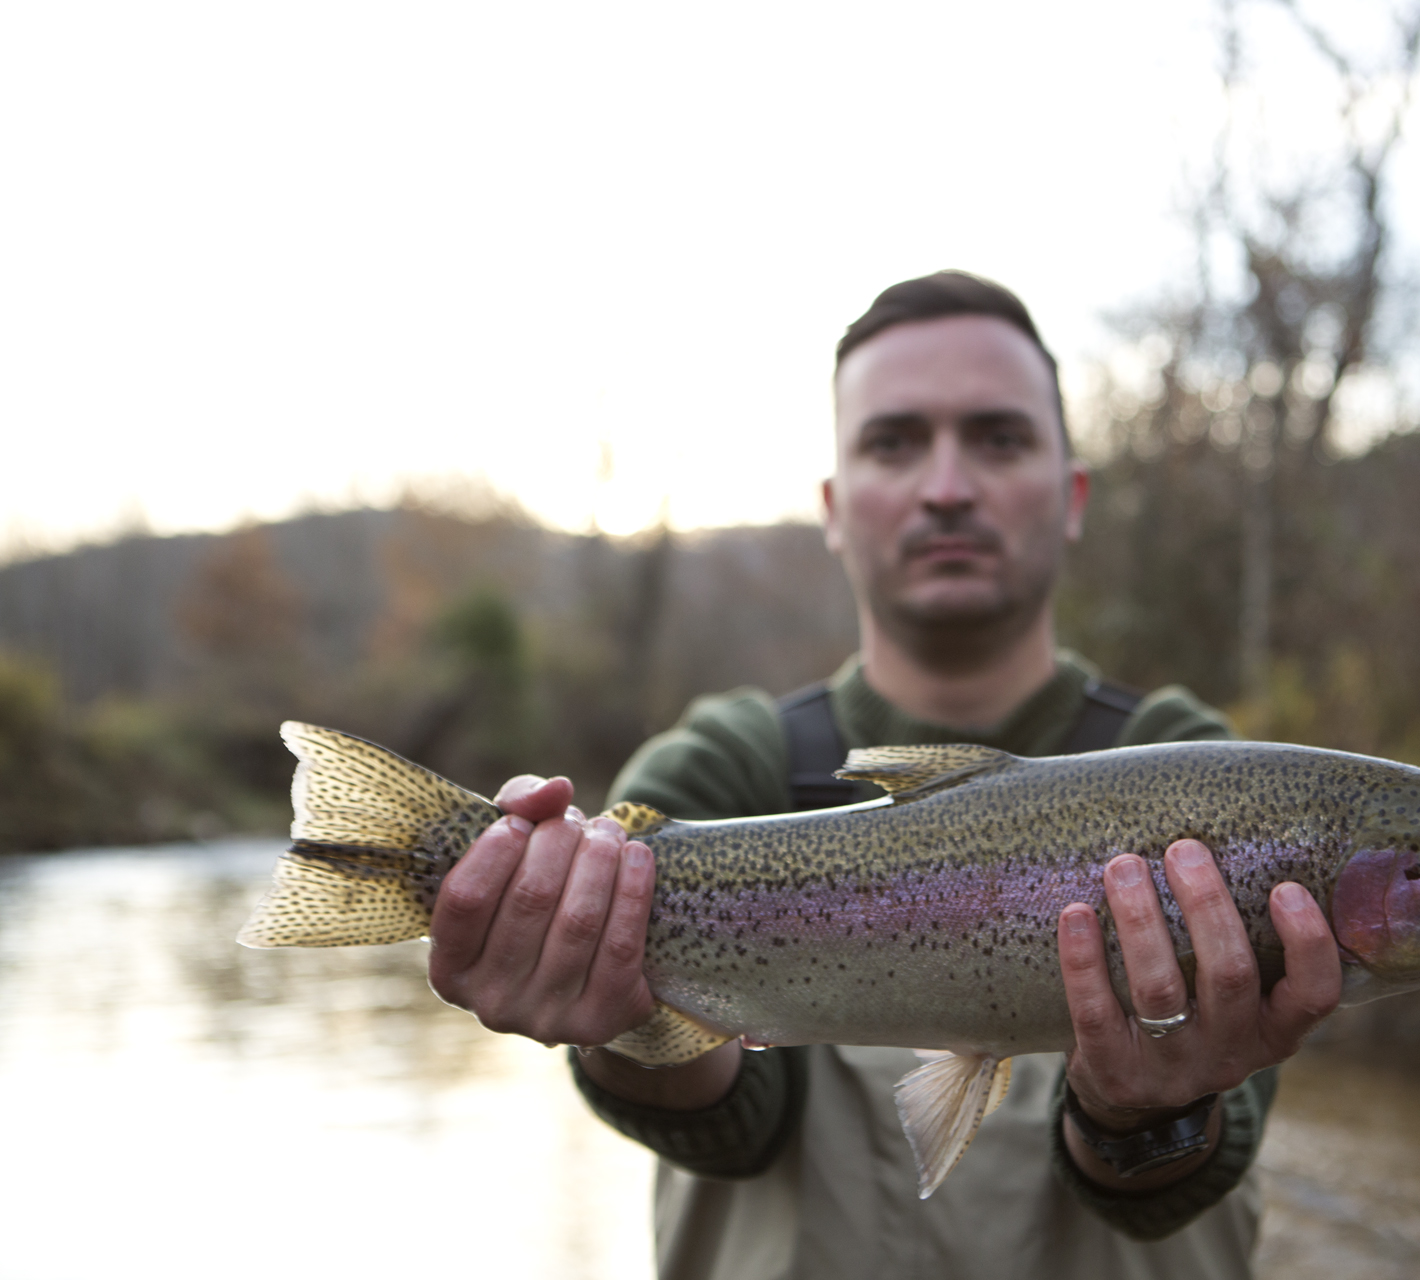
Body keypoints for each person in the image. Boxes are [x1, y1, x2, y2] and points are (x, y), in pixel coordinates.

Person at [425, 272, 1342, 1279]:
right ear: (832, 505)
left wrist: (1140, 1111)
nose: (947, 484)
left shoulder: (1200, 773)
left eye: (998, 438)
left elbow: (1189, 1171)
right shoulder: (722, 767)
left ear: (1073, 495)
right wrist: (611, 1008)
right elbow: (740, 1121)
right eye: (894, 442)